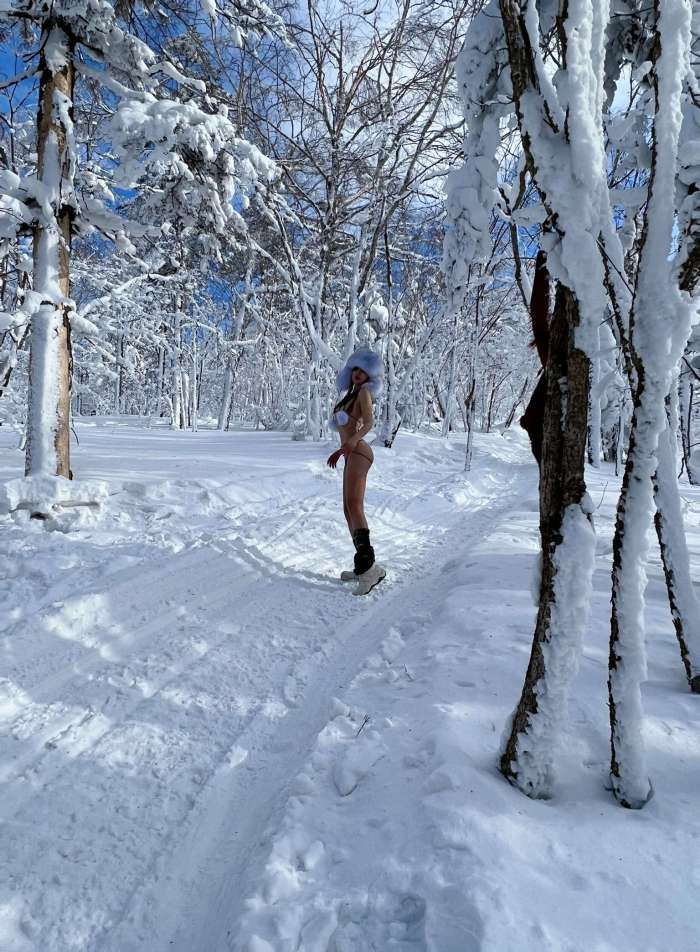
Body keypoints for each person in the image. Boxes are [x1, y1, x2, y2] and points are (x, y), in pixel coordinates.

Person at [327, 347, 386, 595]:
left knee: (355, 505)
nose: (358, 374)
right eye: (355, 369)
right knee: (347, 508)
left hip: (359, 451)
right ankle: (364, 568)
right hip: (350, 453)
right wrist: (344, 449)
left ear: (370, 375)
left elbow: (369, 423)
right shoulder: (350, 396)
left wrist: (349, 444)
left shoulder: (363, 393)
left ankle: (369, 569)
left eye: (364, 370)